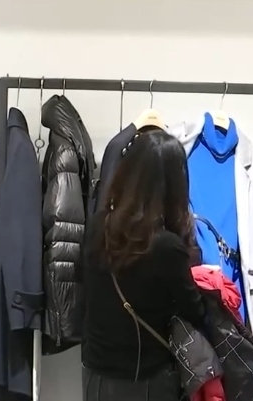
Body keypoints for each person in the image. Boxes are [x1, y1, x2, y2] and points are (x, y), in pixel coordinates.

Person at [79, 128, 206, 401]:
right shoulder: (167, 246)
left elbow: (86, 289)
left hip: (95, 373)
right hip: (146, 379)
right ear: (175, 184)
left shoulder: (98, 226)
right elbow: (195, 312)